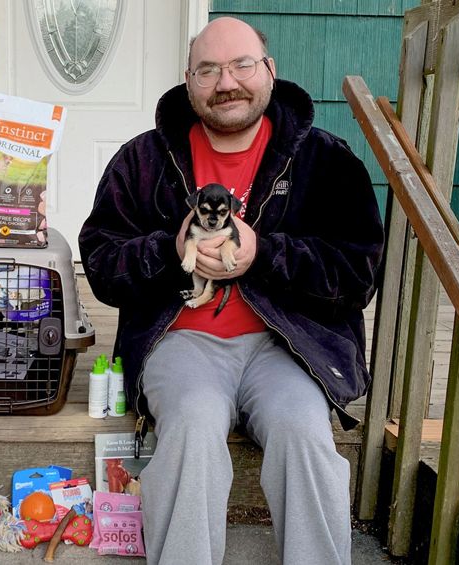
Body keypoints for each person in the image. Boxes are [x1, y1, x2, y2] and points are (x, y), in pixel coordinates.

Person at [78, 17, 384, 565]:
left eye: (242, 64)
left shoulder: (325, 160)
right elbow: (101, 264)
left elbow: (358, 273)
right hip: (182, 342)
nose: (227, 82)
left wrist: (263, 254)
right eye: (208, 69)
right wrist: (169, 253)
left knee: (304, 435)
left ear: (269, 71)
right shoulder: (143, 160)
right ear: (188, 80)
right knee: (192, 429)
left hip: (289, 347)